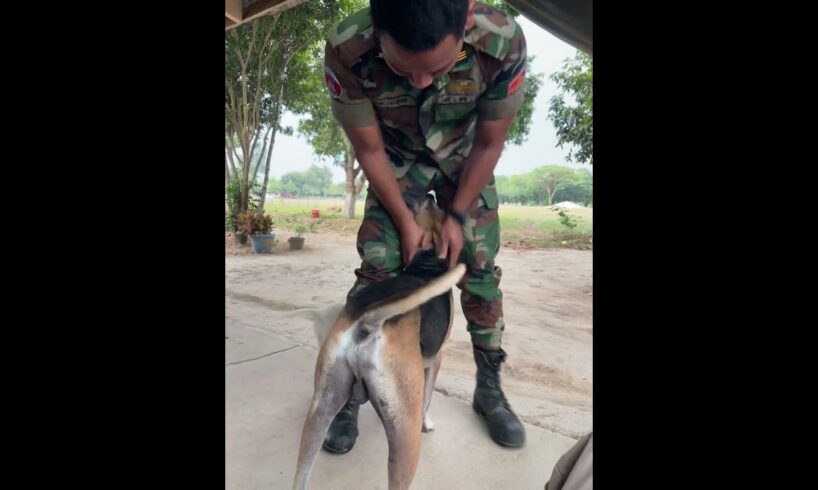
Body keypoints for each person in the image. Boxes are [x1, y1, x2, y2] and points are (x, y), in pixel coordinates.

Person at [322, 0, 528, 453]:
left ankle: (488, 387)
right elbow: (369, 150)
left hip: (464, 160)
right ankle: (351, 393)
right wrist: (402, 218)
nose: (421, 82)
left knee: (478, 268)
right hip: (395, 162)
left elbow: (491, 140)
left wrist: (456, 216)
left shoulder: (500, 40)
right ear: (378, 32)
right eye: (403, 69)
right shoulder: (347, 49)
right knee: (377, 268)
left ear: (466, 23)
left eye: (438, 68)